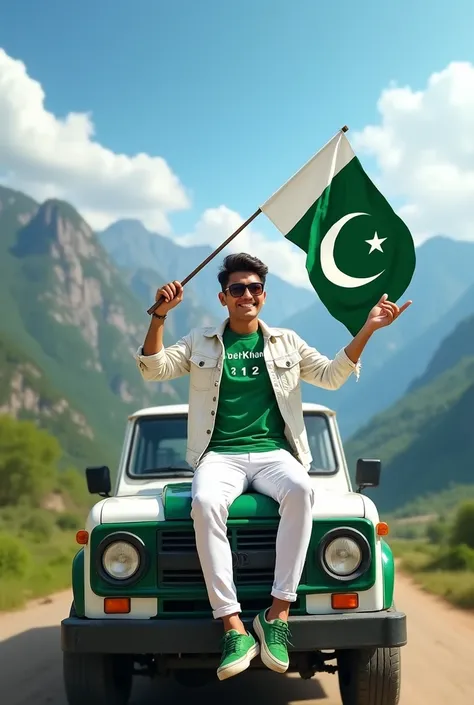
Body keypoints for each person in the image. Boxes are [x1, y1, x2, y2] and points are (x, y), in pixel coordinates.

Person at [135, 252, 411, 682]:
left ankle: (276, 616)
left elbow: (333, 375)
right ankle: (232, 626)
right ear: (223, 298)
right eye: (237, 289)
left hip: (274, 453)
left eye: (254, 288)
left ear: (263, 295)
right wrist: (158, 317)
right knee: (204, 501)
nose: (247, 295)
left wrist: (369, 328)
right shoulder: (199, 341)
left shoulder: (287, 342)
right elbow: (153, 369)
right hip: (218, 454)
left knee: (303, 492)